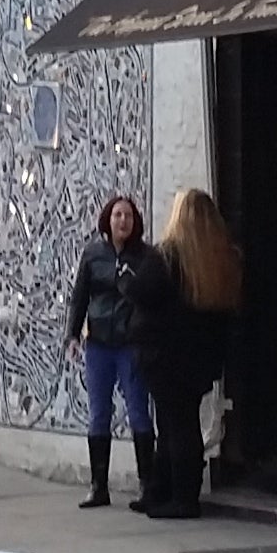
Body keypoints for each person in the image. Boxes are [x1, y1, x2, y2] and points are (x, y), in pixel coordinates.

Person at [65, 195, 169, 511]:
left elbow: (153, 298)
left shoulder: (146, 257)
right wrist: (72, 334)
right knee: (99, 413)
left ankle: (146, 484)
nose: (123, 221)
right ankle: (99, 486)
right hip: (98, 344)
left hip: (129, 344)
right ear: (107, 220)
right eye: (117, 215)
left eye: (128, 216)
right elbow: (80, 295)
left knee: (138, 410)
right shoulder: (93, 254)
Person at [148, 187, 245, 518]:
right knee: (185, 422)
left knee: (175, 426)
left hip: (168, 354)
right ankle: (171, 492)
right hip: (203, 355)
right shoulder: (222, 255)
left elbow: (141, 292)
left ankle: (181, 497)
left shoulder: (169, 257)